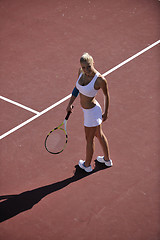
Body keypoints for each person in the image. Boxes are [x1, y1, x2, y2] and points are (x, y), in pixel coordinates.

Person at [66, 53, 113, 172]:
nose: (86, 70)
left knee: (89, 138)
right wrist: (70, 103)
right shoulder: (80, 72)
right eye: (83, 67)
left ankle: (87, 166)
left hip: (92, 112)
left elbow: (107, 96)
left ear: (93, 64)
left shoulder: (100, 80)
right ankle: (107, 160)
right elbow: (77, 88)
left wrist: (106, 113)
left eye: (88, 66)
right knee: (98, 134)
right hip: (89, 111)